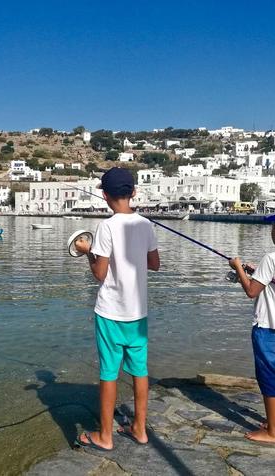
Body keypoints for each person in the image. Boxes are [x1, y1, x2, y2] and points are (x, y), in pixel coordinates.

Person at [73, 167, 160, 450]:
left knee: (109, 372)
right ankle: (140, 429)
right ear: (133, 192)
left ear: (105, 195)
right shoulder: (146, 225)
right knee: (140, 371)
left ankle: (106, 436)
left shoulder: (106, 227)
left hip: (110, 312)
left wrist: (88, 251)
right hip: (138, 314)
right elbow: (154, 263)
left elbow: (99, 274)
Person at [228, 206, 275, 444]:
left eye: (273, 226)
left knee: (269, 378)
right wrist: (257, 271)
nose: (272, 229)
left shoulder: (271, 258)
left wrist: (239, 268)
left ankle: (273, 432)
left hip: (267, 328)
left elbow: (252, 291)